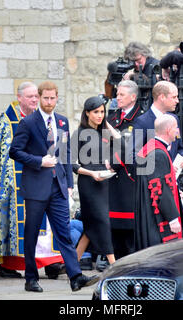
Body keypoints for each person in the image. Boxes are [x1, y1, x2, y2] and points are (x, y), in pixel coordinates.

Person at [9, 81, 98, 292]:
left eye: (52, 98)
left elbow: (66, 153)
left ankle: (75, 276)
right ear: (39, 98)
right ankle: (31, 278)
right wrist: (39, 161)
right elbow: (15, 151)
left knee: (64, 233)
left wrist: (68, 183)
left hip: (58, 187)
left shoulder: (62, 122)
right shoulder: (28, 123)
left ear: (57, 98)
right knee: (30, 233)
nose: (49, 102)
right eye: (45, 98)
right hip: (36, 187)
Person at [0, 81, 65, 280]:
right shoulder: (5, 122)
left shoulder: (45, 118)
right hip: (15, 185)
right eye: (31, 97)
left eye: (37, 96)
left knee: (48, 225)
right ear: (19, 97)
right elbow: (1, 158)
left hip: (42, 178)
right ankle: (11, 264)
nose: (35, 100)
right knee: (18, 223)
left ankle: (51, 263)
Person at [71, 96, 122, 268]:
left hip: (104, 182)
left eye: (102, 112)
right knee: (102, 221)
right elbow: (72, 164)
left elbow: (120, 141)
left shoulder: (104, 132)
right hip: (88, 183)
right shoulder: (79, 134)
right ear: (87, 113)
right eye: (96, 112)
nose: (100, 115)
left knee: (91, 226)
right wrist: (91, 173)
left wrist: (105, 123)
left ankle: (72, 262)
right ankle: (113, 264)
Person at [106, 80, 144, 259]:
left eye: (121, 95)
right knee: (113, 224)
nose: (117, 98)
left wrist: (114, 162)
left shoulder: (140, 119)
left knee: (129, 226)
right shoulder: (112, 118)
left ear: (133, 97)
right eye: (117, 94)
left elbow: (134, 149)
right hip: (111, 178)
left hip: (129, 178)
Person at [134, 114, 183, 250]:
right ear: (168, 130)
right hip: (156, 217)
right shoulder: (158, 153)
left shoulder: (149, 148)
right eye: (175, 128)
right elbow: (159, 188)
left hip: (146, 209)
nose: (177, 131)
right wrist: (173, 219)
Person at [133, 81, 183, 168]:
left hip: (173, 179)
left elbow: (179, 147)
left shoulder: (174, 119)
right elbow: (134, 157)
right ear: (162, 97)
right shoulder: (142, 122)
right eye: (174, 97)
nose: (177, 101)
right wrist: (164, 166)